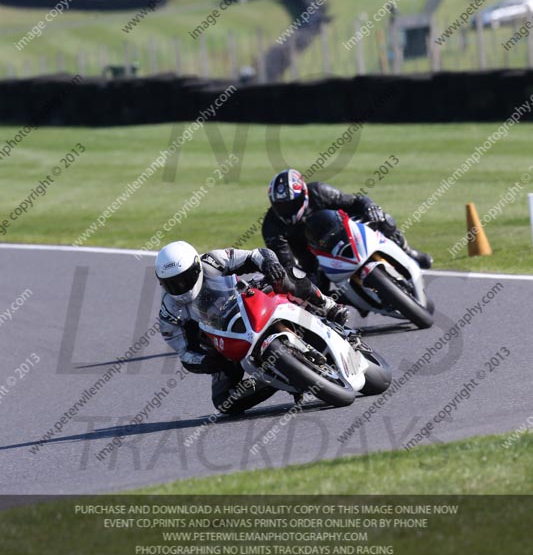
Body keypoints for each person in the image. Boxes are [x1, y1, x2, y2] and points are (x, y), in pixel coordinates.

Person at [155, 241, 348, 415]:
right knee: (224, 402)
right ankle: (275, 377)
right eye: (172, 284)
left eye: (184, 279)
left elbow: (256, 254)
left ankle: (328, 306)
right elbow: (184, 352)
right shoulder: (169, 311)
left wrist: (270, 265)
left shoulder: (213, 261)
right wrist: (204, 362)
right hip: (223, 340)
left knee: (287, 276)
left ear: (196, 267)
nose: (180, 287)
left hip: (248, 299)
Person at [262, 169, 432, 294]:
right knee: (309, 290)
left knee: (384, 219)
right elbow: (287, 264)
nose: (287, 209)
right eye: (281, 205)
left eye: (291, 203)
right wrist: (299, 278)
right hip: (313, 255)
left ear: (304, 194)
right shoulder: (271, 227)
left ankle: (408, 252)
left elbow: (355, 201)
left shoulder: (319, 191)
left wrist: (370, 206)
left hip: (345, 230)